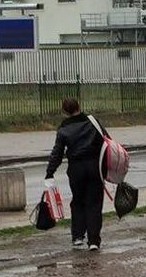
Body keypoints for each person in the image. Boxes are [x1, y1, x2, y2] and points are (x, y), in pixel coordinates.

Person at [45, 97, 107, 251]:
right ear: (79, 106)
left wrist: (50, 172)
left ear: (64, 111)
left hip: (76, 169)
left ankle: (78, 236)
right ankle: (94, 240)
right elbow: (105, 141)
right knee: (94, 203)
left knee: (78, 201)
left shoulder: (63, 129)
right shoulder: (92, 122)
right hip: (94, 167)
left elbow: (57, 154)